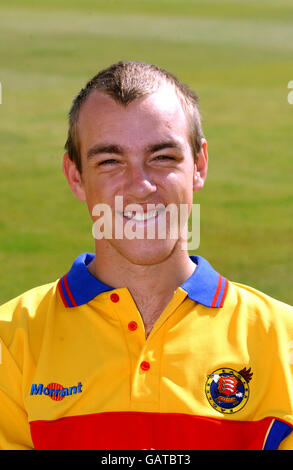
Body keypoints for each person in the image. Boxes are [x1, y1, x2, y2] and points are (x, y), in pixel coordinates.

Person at [0, 61, 292, 451]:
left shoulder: (284, 341)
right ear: (75, 176)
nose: (140, 186)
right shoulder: (11, 340)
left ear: (199, 165)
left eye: (163, 157)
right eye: (110, 161)